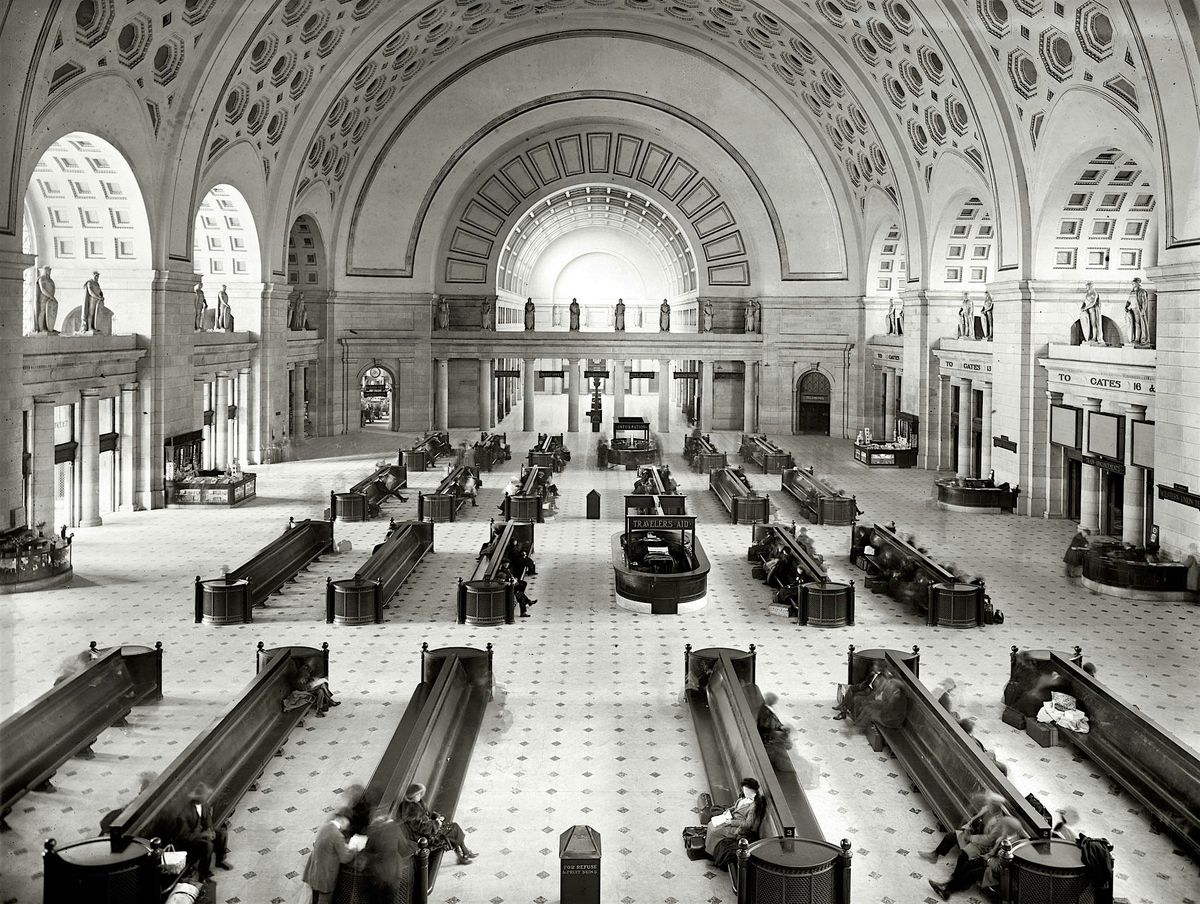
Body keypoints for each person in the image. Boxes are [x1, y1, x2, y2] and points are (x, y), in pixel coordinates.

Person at [928, 816, 1027, 900]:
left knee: (971, 874)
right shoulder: (1005, 836)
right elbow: (994, 850)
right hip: (989, 860)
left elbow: (999, 867)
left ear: (1008, 829)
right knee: (967, 864)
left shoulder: (1011, 846)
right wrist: (988, 855)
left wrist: (987, 859)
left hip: (993, 871)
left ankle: (947, 890)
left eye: (1003, 826)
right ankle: (947, 887)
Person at [398, 782, 477, 864]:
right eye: (416, 795)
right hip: (426, 837)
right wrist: (436, 823)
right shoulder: (411, 811)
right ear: (411, 797)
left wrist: (436, 817)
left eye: (419, 794)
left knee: (453, 828)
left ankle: (464, 853)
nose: (419, 796)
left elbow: (427, 815)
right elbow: (422, 828)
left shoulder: (417, 804)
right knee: (453, 829)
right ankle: (464, 854)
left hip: (430, 830)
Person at [920, 791, 1006, 863]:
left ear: (996, 807)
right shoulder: (986, 809)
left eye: (990, 804)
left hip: (981, 845)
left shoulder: (999, 822)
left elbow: (988, 840)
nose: (988, 805)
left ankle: (956, 875)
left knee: (963, 855)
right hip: (971, 834)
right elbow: (973, 819)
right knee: (950, 836)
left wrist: (970, 838)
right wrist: (966, 829)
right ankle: (935, 855)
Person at [703, 777, 767, 869]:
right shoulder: (744, 798)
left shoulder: (754, 806)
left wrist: (731, 822)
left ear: (752, 791)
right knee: (710, 824)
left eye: (746, 790)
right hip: (730, 818)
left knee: (715, 832)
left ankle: (711, 854)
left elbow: (747, 824)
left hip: (738, 827)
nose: (744, 792)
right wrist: (728, 810)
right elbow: (735, 807)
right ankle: (707, 849)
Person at [175, 783, 231, 880]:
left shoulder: (204, 805)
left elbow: (208, 820)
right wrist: (203, 835)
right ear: (198, 797)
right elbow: (185, 837)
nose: (206, 797)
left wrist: (211, 831)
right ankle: (203, 873)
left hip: (202, 834)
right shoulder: (185, 813)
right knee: (208, 845)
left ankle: (219, 860)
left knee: (222, 833)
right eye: (204, 795)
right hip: (190, 842)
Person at [303, 813, 358, 904]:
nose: (346, 827)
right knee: (324, 901)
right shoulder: (337, 835)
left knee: (314, 899)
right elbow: (345, 858)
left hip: (314, 873)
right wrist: (354, 849)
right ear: (343, 820)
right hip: (326, 877)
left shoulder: (324, 827)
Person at [363, 806, 416, 900]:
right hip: (394, 871)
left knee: (377, 897)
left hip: (378, 873)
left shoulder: (373, 831)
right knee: (391, 896)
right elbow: (403, 847)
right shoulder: (394, 827)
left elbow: (367, 851)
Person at [36, 266, 59, 333]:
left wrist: (52, 297)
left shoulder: (50, 280)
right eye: (48, 270)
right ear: (45, 271)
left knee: (49, 313)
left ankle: (49, 328)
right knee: (42, 312)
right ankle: (41, 329)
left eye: (50, 270)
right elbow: (43, 289)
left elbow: (53, 289)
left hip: (50, 299)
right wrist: (51, 297)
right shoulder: (42, 279)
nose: (49, 272)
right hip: (43, 298)